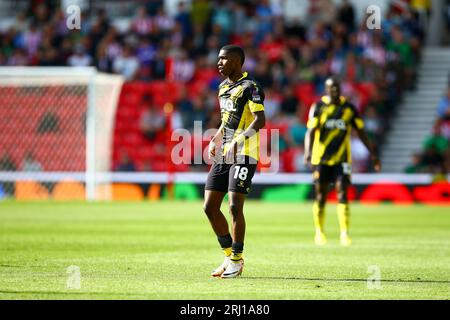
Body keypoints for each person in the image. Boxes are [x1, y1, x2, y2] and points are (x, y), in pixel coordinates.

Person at [204, 45, 265, 278]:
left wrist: (238, 142)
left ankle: (237, 261)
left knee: (233, 206)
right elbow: (226, 120)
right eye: (218, 58)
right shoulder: (222, 88)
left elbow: (260, 119)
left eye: (223, 59)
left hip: (244, 152)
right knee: (209, 206)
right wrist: (216, 139)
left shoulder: (251, 87)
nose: (219, 62)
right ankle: (229, 256)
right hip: (225, 152)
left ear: (237, 61)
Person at [304, 77, 381, 246]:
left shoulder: (349, 108)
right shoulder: (318, 107)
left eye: (337, 88)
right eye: (331, 88)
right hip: (321, 158)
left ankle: (344, 233)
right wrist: (308, 153)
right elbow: (310, 132)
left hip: (342, 158)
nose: (334, 91)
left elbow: (361, 132)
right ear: (326, 89)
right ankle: (319, 232)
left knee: (342, 193)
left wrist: (373, 154)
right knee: (320, 195)